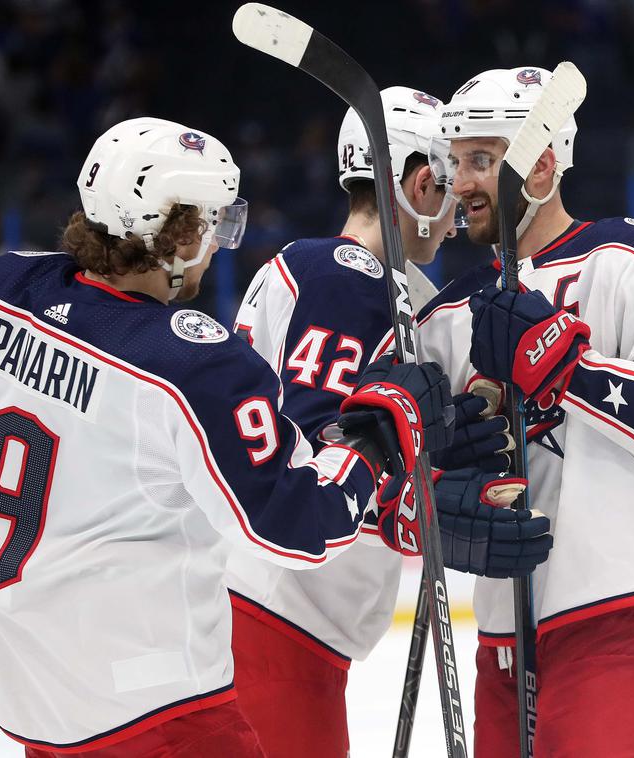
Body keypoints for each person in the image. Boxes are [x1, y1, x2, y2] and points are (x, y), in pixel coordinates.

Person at [0, 116, 455, 758]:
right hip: (161, 715)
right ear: (179, 232)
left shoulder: (3, 290)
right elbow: (295, 527)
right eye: (213, 223)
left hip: (34, 713)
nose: (220, 243)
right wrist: (375, 440)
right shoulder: (190, 364)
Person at [404, 67, 634, 757]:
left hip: (624, 609)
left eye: (480, 160)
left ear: (544, 164)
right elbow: (410, 470)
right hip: (503, 632)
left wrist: (565, 366)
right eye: (453, 161)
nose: (459, 182)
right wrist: (418, 473)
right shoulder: (447, 312)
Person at [226, 87, 552, 757]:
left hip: (278, 620)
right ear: (416, 181)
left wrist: (434, 456)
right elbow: (324, 447)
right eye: (445, 179)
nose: (458, 202)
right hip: (273, 615)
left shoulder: (352, 276)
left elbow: (373, 432)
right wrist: (417, 503)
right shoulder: (351, 275)